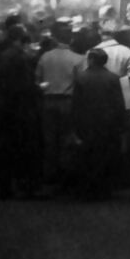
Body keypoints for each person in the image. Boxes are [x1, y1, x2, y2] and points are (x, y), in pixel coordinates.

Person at [0, 24, 41, 199]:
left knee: (5, 148)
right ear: (20, 39)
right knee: (23, 148)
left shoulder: (0, 53)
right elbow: (25, 85)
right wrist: (38, 88)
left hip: (3, 107)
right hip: (20, 108)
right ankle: (25, 187)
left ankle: (5, 187)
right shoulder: (19, 58)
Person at [71, 48, 127, 199]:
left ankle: (87, 188)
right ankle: (103, 189)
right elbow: (119, 103)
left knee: (87, 155)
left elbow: (76, 104)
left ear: (91, 59)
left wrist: (74, 125)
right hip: (107, 124)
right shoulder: (114, 78)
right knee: (104, 155)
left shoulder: (81, 78)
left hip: (86, 123)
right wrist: (122, 124)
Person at [35, 20, 84, 189]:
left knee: (49, 139)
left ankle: (50, 174)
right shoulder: (78, 59)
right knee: (66, 139)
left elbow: (38, 81)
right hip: (68, 102)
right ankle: (66, 175)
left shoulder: (45, 57)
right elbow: (80, 84)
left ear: (54, 38)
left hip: (48, 101)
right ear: (71, 39)